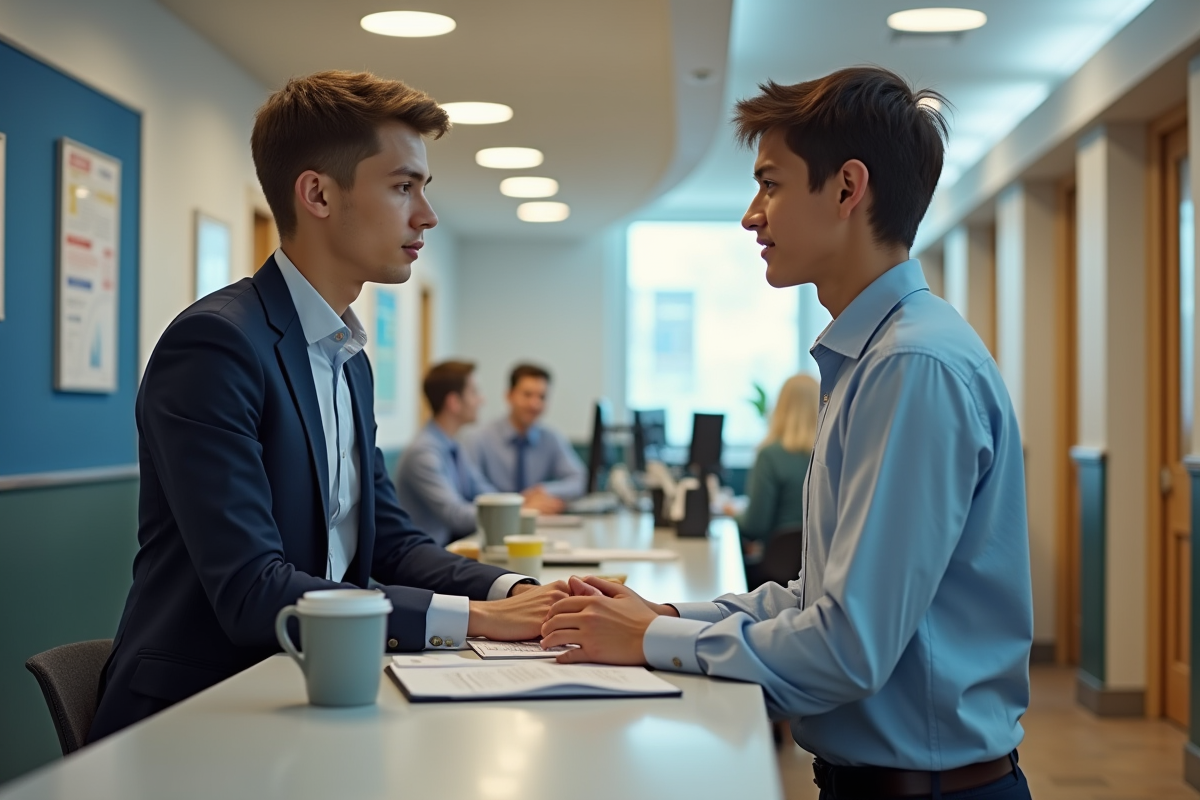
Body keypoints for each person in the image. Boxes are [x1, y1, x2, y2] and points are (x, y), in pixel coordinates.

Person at [542, 66, 1034, 800]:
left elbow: (848, 647)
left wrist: (650, 640)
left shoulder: (910, 366)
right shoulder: (873, 356)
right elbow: (815, 601)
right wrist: (662, 615)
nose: (752, 216)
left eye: (770, 184)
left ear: (846, 189)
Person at [90, 71, 567, 742]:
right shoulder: (216, 345)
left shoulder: (348, 359)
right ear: (317, 193)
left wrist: (516, 592)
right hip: (201, 714)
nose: (426, 215)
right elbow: (255, 590)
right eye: (403, 187)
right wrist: (478, 620)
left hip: (316, 690)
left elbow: (393, 543)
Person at [396, 360, 497, 546]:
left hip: (446, 549)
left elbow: (482, 490)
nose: (481, 400)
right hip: (424, 555)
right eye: (474, 392)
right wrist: (511, 510)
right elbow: (456, 516)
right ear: (454, 402)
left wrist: (516, 503)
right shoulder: (423, 453)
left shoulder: (453, 445)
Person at [465, 363, 586, 515]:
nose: (535, 404)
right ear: (509, 396)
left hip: (537, 521)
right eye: (527, 395)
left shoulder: (551, 439)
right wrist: (520, 504)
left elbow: (580, 479)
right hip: (494, 520)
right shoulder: (479, 438)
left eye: (542, 397)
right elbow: (471, 488)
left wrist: (544, 491)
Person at [735, 373, 818, 586]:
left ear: (781, 407)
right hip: (819, 572)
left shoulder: (770, 455)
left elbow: (755, 524)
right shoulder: (833, 456)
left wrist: (732, 513)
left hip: (774, 575)